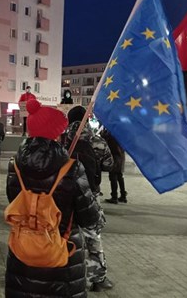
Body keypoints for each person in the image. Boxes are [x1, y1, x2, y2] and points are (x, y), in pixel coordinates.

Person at [6, 99, 101, 297]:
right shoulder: (72, 169)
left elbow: (14, 201)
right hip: (62, 259)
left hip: (23, 255)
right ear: (55, 134)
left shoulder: (15, 165)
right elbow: (89, 219)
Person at [64, 105, 114, 292]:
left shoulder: (63, 140)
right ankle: (97, 278)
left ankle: (66, 273)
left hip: (65, 194)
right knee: (93, 235)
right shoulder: (98, 142)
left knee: (65, 233)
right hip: (90, 195)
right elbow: (110, 164)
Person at [101, 128, 127, 204]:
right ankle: (123, 195)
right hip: (121, 156)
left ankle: (114, 196)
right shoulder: (121, 133)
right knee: (119, 176)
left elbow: (106, 140)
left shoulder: (112, 134)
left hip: (115, 157)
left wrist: (104, 133)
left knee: (113, 176)